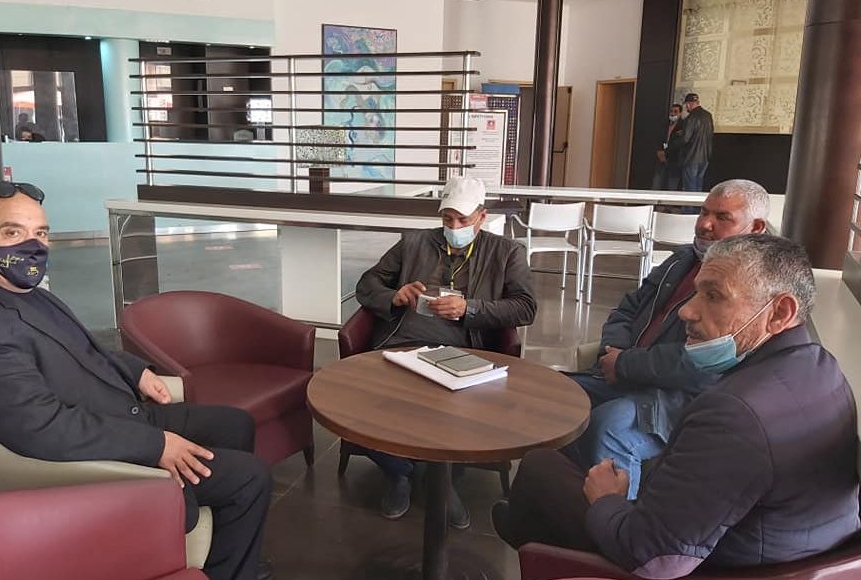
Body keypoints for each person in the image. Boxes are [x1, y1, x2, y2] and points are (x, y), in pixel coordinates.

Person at [0, 181, 273, 580]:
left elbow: (80, 347)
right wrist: (157, 446)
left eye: (40, 233)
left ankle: (225, 539)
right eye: (12, 232)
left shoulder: (15, 289)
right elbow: (45, 429)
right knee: (250, 478)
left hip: (115, 413)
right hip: (94, 455)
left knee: (235, 423)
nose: (32, 246)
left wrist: (136, 372)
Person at [494, 234, 860, 578]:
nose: (687, 311)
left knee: (540, 466)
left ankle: (531, 542)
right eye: (696, 292)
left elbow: (654, 559)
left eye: (713, 296)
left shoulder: (735, 413)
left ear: (779, 313)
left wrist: (608, 500)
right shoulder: (823, 368)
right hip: (773, 550)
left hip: (707, 567)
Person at [566, 179, 769, 498]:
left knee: (610, 425)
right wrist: (614, 351)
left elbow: (705, 363)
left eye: (722, 217)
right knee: (559, 397)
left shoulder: (751, 288)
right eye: (703, 212)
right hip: (626, 373)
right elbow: (628, 307)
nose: (705, 224)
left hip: (679, 397)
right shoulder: (681, 260)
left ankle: (616, 522)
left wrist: (626, 363)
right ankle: (559, 500)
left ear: (755, 228)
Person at [354, 175, 537, 528]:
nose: (453, 228)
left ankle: (425, 476)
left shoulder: (506, 252)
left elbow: (525, 307)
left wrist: (470, 308)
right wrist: (394, 295)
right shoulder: (414, 243)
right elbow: (367, 283)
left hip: (463, 349)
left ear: (481, 217)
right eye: (447, 219)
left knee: (448, 413)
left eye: (462, 220)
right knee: (361, 407)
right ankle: (407, 472)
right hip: (402, 343)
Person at [673, 93, 714, 192]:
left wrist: (673, 145)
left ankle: (689, 203)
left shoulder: (691, 117)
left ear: (688, 104)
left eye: (686, 105)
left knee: (689, 188)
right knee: (698, 185)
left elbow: (685, 139)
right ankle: (697, 203)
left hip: (691, 157)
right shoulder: (708, 116)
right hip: (705, 157)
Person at [652, 103, 684, 190]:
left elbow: (681, 143)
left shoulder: (683, 126)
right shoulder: (664, 124)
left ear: (680, 113)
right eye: (671, 111)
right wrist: (659, 151)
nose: (673, 114)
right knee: (657, 181)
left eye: (675, 112)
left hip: (674, 158)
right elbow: (658, 138)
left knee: (672, 184)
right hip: (662, 156)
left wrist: (669, 151)